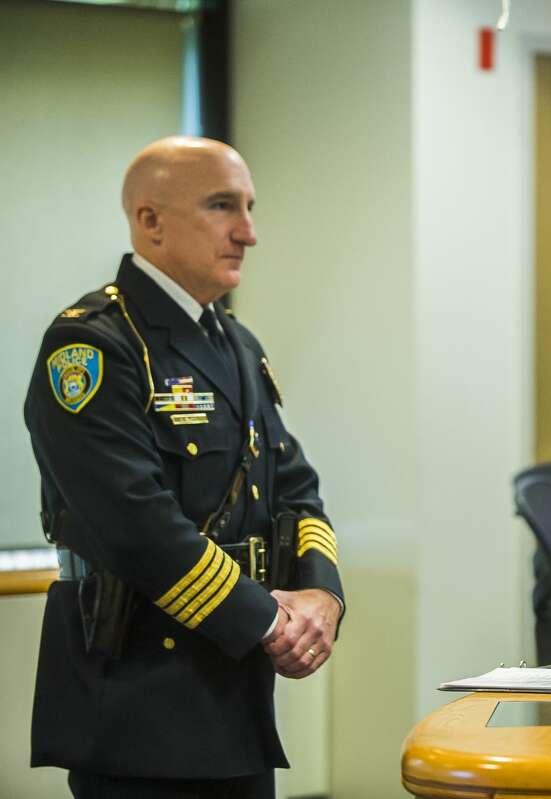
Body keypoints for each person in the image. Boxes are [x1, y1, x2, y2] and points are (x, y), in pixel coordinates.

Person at [25, 136, 345, 798]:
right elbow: (133, 523)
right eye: (223, 205)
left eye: (250, 207)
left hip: (234, 700)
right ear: (150, 221)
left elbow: (295, 487)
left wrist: (321, 595)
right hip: (136, 704)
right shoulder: (92, 343)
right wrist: (268, 621)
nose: (248, 232)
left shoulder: (236, 342)